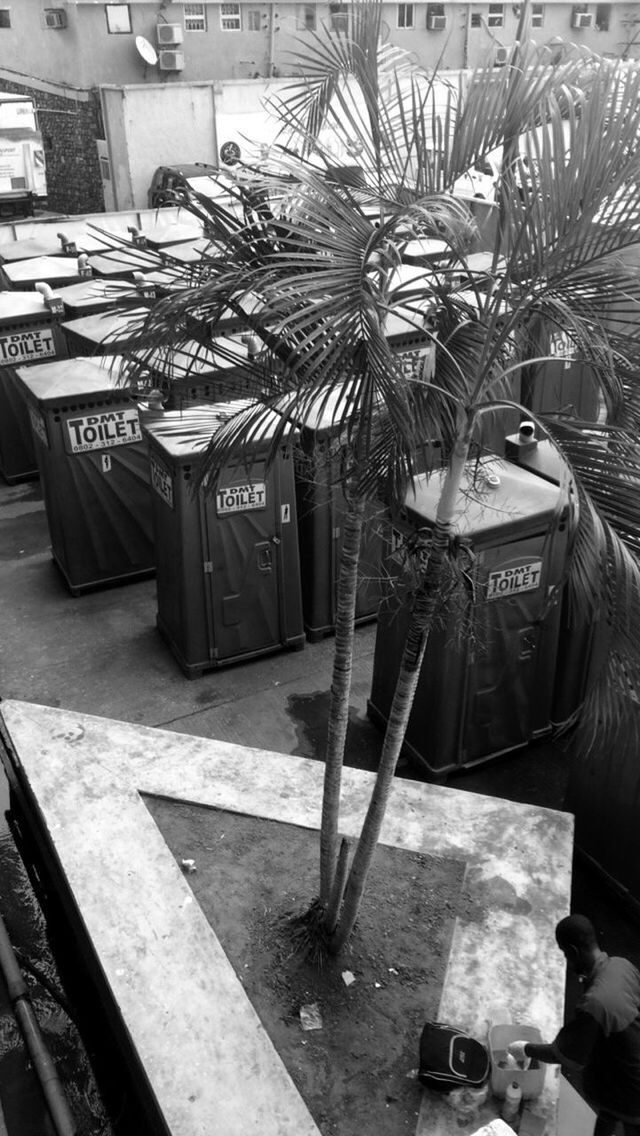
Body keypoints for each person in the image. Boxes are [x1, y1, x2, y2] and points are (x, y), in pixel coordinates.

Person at [508, 915, 640, 1136]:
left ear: (573, 951)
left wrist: (524, 1049)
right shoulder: (622, 965)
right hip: (622, 1067)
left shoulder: (596, 1003)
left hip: (631, 1088)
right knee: (608, 1114)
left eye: (564, 953)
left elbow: (564, 1055)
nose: (567, 961)